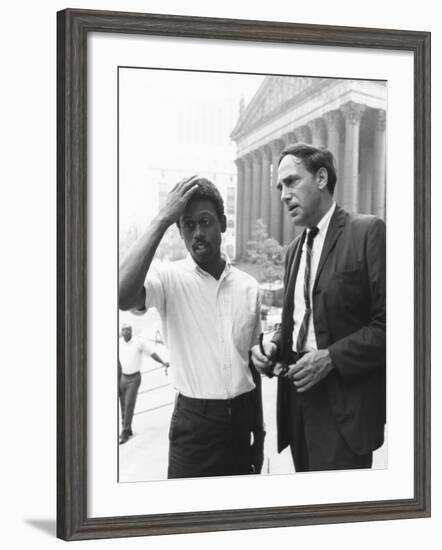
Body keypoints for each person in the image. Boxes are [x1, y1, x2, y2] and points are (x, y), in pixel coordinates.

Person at [251, 143, 386, 472]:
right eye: (280, 187)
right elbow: (297, 321)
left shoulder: (368, 232)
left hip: (345, 413)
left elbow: (395, 326)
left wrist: (331, 359)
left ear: (322, 178)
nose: (283, 195)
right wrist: (272, 344)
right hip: (297, 406)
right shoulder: (293, 250)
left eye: (292, 181)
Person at [119, 177, 264, 478]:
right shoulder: (167, 279)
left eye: (206, 222)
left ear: (223, 224)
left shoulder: (249, 287)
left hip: (241, 424)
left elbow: (251, 365)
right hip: (194, 427)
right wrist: (162, 219)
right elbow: (121, 295)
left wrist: (259, 436)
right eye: (187, 225)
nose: (197, 233)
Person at [119, 323, 169, 445]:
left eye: (127, 330)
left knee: (129, 404)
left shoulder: (139, 342)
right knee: (123, 405)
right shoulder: (119, 343)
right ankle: (128, 429)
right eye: (123, 329)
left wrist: (162, 362)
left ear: (131, 331)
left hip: (134, 378)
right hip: (123, 378)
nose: (124, 332)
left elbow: (152, 353)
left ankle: (125, 433)